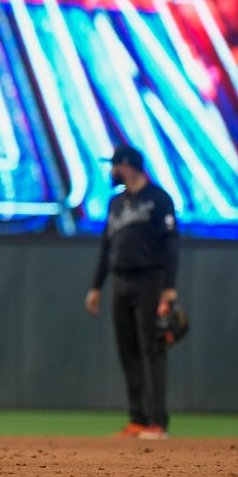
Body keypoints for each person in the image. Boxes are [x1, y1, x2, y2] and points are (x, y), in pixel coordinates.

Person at [84, 145, 179, 441]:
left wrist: (169, 288)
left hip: (150, 280)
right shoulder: (115, 204)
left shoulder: (159, 199)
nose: (112, 171)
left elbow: (171, 244)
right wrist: (96, 286)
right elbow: (106, 246)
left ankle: (157, 422)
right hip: (120, 281)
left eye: (115, 165)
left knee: (152, 349)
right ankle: (137, 419)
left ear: (128, 166)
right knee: (128, 351)